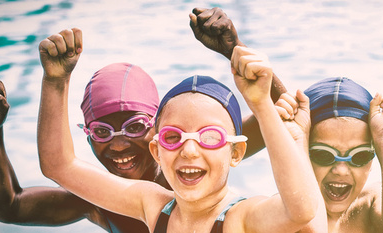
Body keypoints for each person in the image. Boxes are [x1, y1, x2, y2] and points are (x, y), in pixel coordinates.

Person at [0, 8, 285, 232]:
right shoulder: (99, 199)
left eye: (134, 127)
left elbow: (286, 123)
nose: (118, 144)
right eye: (102, 132)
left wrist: (235, 49)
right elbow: (10, 206)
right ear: (87, 137)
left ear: (159, 130)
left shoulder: (200, 154)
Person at [36, 21, 320, 232]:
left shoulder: (241, 218)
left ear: (236, 153)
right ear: (157, 151)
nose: (190, 150)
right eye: (174, 137)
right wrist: (55, 82)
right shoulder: (154, 206)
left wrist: (262, 106)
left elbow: (302, 210)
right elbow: (59, 166)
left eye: (210, 137)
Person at [274, 77, 383, 232]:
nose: (341, 170)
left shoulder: (370, 205)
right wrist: (297, 143)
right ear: (304, 152)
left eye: (360, 156)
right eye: (323, 155)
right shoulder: (278, 213)